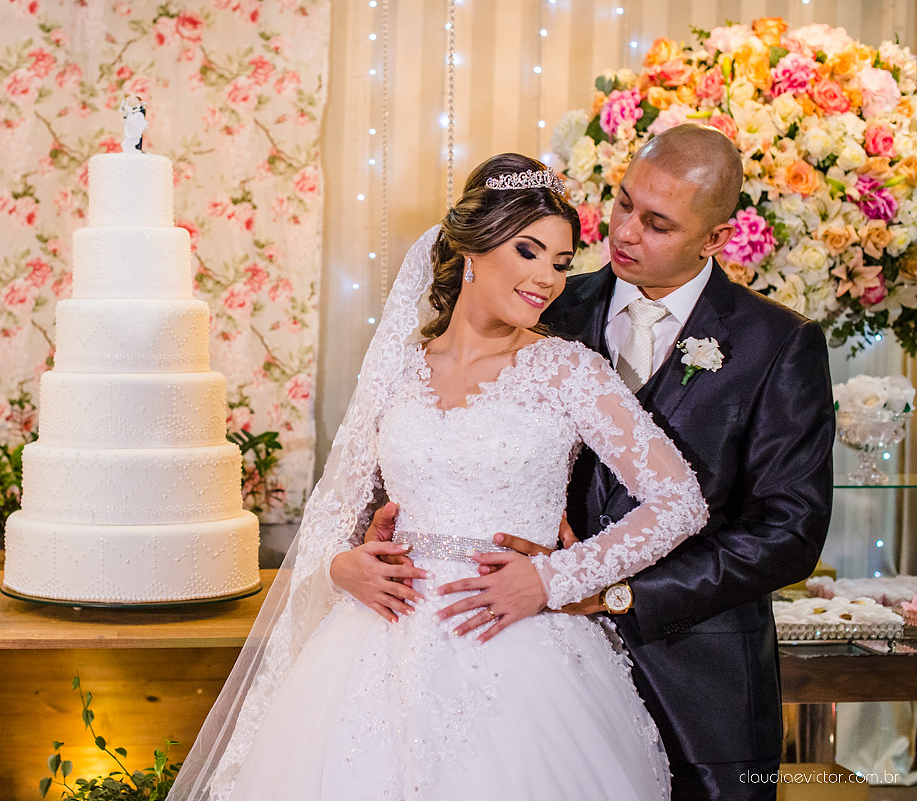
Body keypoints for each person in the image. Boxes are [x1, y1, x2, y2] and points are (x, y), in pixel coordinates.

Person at [168, 153, 709, 801]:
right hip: (374, 644)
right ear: (473, 250)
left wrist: (552, 578)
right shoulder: (398, 370)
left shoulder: (569, 371)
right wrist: (342, 565)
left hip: (518, 649)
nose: (547, 279)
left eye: (561, 263)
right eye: (529, 251)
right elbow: (336, 508)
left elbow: (679, 501)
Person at [397, 125, 833, 801]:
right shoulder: (544, 300)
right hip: (526, 666)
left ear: (715, 239)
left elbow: (788, 533)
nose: (625, 231)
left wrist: (611, 590)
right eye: (624, 202)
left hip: (700, 674)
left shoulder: (778, 344)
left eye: (657, 223)